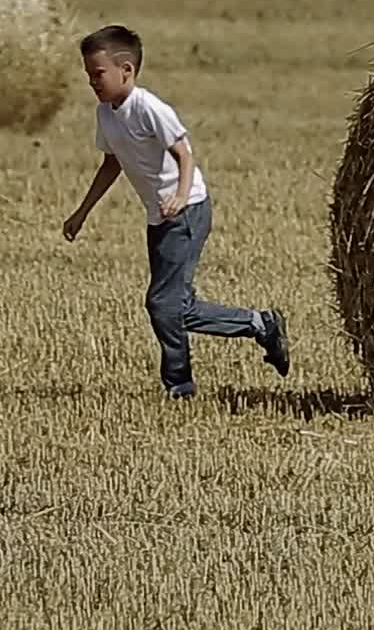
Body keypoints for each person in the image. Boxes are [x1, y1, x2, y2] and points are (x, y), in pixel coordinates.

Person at [63, 24, 288, 399]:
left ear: (127, 71)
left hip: (186, 211)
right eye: (88, 74)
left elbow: (184, 153)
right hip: (160, 217)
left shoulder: (149, 108)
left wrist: (182, 196)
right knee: (175, 306)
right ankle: (260, 324)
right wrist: (81, 212)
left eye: (98, 73)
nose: (92, 82)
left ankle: (179, 385)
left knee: (162, 303)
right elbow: (111, 164)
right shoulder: (106, 114)